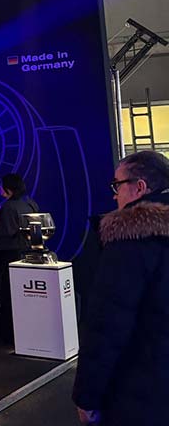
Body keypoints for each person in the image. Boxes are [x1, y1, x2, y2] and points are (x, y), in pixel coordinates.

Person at [73, 151, 169, 426]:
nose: (115, 195)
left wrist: (86, 396)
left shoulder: (129, 238)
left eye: (117, 185)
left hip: (140, 391)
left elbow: (107, 326)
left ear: (139, 187)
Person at [0, 173, 38, 342]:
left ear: (8, 190)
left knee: (8, 294)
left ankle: (7, 334)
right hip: (27, 252)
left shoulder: (9, 206)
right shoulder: (30, 203)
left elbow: (8, 231)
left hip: (9, 254)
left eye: (1, 186)